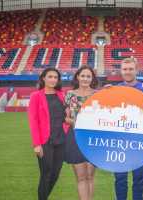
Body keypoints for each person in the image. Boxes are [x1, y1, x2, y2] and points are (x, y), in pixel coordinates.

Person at [114, 57, 143, 200]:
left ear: (136, 70)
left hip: (140, 141)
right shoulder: (114, 90)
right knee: (120, 178)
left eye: (131, 69)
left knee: (139, 178)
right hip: (120, 141)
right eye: (125, 69)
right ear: (121, 71)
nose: (128, 72)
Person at [28, 68, 69, 200]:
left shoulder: (62, 95)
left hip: (61, 139)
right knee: (46, 174)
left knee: (55, 174)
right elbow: (33, 121)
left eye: (55, 77)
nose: (53, 80)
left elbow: (69, 113)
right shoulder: (36, 96)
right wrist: (37, 144)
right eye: (50, 76)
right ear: (43, 78)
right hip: (45, 141)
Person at [64, 65, 99, 200]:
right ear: (77, 77)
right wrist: (74, 123)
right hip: (75, 137)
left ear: (92, 79)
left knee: (90, 176)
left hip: (93, 138)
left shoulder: (98, 94)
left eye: (88, 76)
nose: (85, 78)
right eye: (83, 75)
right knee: (81, 177)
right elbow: (66, 117)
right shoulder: (70, 95)